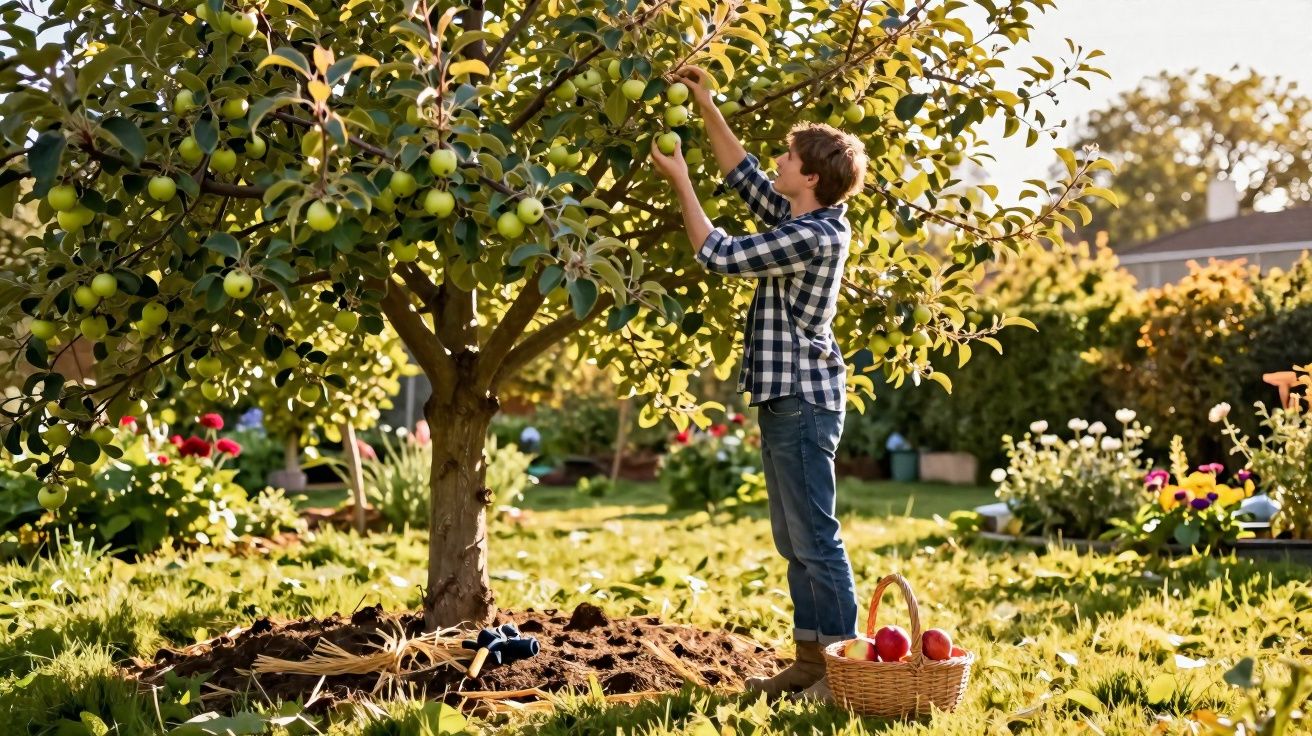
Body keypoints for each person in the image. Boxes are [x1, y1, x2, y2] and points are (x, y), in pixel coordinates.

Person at [650, 65, 870, 702]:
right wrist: (705, 106)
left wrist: (681, 181)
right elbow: (743, 173)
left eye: (788, 154)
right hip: (786, 400)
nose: (777, 157)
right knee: (792, 538)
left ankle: (840, 673)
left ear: (809, 175)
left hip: (803, 401)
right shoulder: (800, 215)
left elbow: (718, 255)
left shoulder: (815, 234)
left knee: (816, 539)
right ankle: (809, 661)